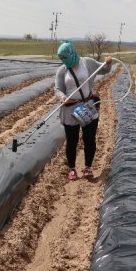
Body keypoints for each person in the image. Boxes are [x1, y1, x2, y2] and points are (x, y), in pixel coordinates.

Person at [54, 41, 112, 180]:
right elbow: (58, 89)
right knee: (72, 140)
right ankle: (72, 169)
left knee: (89, 138)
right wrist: (62, 97)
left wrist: (108, 62)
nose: (63, 60)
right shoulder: (62, 70)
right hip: (70, 110)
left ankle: (88, 167)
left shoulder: (87, 63)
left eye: (65, 57)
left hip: (88, 106)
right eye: (61, 58)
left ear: (71, 53)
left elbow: (104, 69)